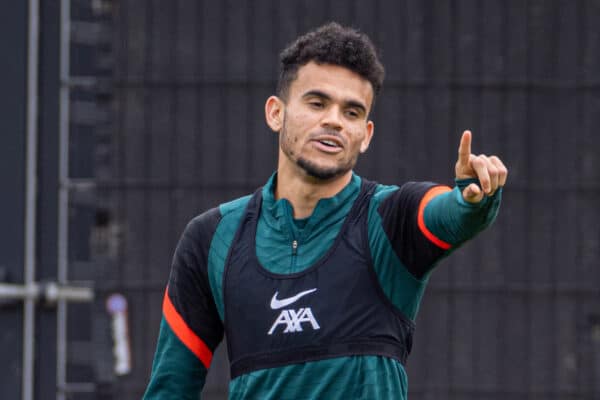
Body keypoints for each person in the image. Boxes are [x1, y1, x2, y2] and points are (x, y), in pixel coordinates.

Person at [143, 22, 507, 400]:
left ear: (365, 135)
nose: (333, 120)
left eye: (351, 112)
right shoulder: (211, 238)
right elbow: (170, 388)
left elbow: (447, 213)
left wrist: (473, 200)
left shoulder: (389, 217)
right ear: (275, 113)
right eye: (317, 103)